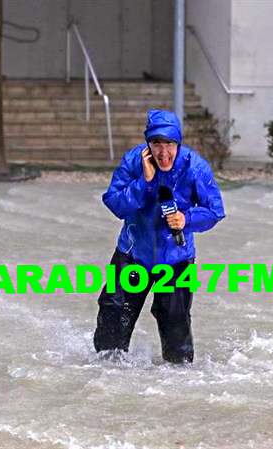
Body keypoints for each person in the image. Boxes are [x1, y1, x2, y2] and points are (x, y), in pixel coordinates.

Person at [93, 109, 226, 363]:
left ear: (178, 143)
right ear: (148, 144)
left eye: (169, 144)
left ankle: (177, 386)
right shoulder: (133, 161)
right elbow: (115, 204)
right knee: (113, 313)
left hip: (176, 259)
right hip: (132, 255)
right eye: (156, 144)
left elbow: (215, 211)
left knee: (175, 323)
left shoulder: (195, 167)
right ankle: (105, 376)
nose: (163, 152)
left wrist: (187, 219)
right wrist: (144, 181)